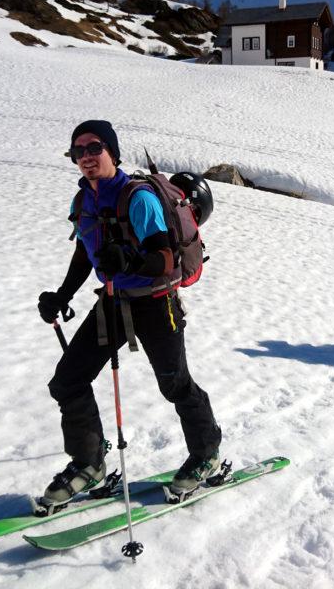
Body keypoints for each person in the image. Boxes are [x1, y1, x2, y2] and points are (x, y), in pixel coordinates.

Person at [35, 119, 222, 509]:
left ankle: (206, 455)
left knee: (175, 385)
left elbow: (165, 257)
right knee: (67, 381)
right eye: (78, 150)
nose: (86, 156)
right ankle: (89, 464)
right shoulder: (83, 201)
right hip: (113, 302)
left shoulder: (137, 198)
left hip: (155, 302)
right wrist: (61, 295)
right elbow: (86, 252)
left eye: (94, 147)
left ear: (113, 152)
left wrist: (132, 257)